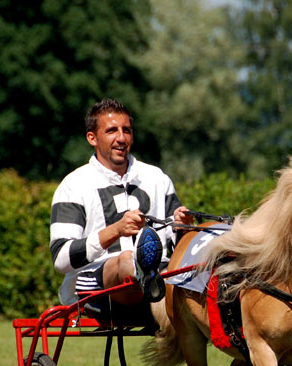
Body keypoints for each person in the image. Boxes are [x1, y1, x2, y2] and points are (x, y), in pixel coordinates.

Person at [50, 98, 193, 307]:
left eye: (126, 130)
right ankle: (145, 275)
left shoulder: (157, 178)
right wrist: (116, 230)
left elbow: (179, 247)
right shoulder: (74, 185)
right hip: (96, 289)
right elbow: (61, 258)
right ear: (92, 138)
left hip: (162, 275)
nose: (121, 138)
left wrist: (182, 228)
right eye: (111, 131)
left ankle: (151, 279)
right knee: (126, 260)